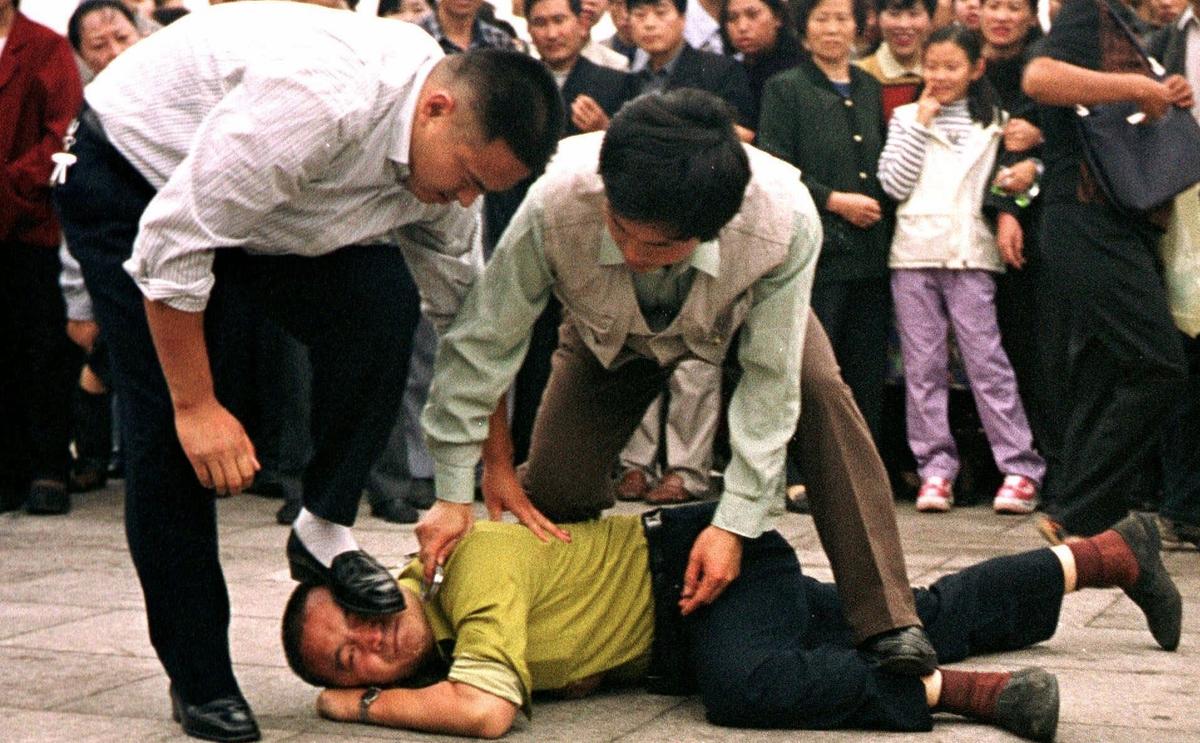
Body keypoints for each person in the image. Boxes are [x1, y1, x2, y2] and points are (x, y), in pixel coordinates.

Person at [51, 3, 564, 741]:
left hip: (261, 209)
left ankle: (320, 524)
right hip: (131, 176)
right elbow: (171, 246)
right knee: (171, 436)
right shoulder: (323, 98)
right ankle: (199, 677)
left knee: (385, 301)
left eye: (482, 191)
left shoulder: (445, 169)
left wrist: (494, 464)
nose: (463, 201)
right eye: (466, 178)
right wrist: (197, 405)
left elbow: (467, 330)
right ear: (437, 107)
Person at [416, 89, 939, 676]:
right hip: (607, 336)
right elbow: (482, 344)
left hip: (740, 320)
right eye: (619, 229)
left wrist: (735, 524)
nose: (635, 253)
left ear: (713, 227)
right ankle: (596, 604)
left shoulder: (783, 217)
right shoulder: (554, 201)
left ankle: (889, 618)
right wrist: (455, 488)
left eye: (660, 244)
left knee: (817, 387)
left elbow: (770, 385)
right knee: (557, 487)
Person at [283, 504, 1181, 741]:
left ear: (367, 581)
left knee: (745, 688)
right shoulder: (436, 640)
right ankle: (1107, 554)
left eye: (353, 625)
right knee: (911, 618)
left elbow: (484, 713)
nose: (369, 649)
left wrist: (351, 711)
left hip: (704, 564)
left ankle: (970, 695)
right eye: (350, 667)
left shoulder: (466, 569)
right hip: (690, 611)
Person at [1022, 0, 1191, 542]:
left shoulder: (1134, 34)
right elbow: (1040, 77)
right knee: (1158, 365)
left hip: (1123, 223)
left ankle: (1075, 515)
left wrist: (1166, 94)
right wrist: (1136, 89)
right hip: (1085, 218)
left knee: (1104, 371)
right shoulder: (1088, 13)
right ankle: (1079, 512)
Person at [877, 25, 1046, 514]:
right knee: (922, 367)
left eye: (952, 66)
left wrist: (1022, 175)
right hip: (914, 254)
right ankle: (934, 469)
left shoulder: (998, 123)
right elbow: (893, 182)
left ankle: (1019, 468)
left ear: (976, 69)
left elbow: (1025, 177)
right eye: (932, 66)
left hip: (972, 253)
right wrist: (918, 124)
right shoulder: (907, 115)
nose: (940, 75)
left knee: (986, 362)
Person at [759, 0, 891, 450]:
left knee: (866, 370)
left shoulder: (871, 87)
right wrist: (833, 200)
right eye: (822, 19)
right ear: (804, 30)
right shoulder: (786, 88)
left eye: (841, 19)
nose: (832, 28)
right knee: (812, 369)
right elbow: (775, 163)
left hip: (871, 252)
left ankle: (864, 466)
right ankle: (802, 471)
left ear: (858, 28)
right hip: (817, 251)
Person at [0, 0, 84, 516]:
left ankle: (50, 465)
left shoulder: (46, 47)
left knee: (42, 348)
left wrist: (10, 188)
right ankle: (7, 469)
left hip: (31, 225)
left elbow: (62, 133)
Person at [628, 0, 756, 134]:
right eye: (640, 15)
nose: (649, 24)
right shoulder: (629, 81)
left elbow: (745, 133)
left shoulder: (721, 70)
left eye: (661, 13)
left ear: (683, 19)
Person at [720, 0, 804, 129]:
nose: (742, 27)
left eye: (753, 15)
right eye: (732, 18)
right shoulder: (725, 72)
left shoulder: (800, 70)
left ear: (777, 17)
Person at [857, 0, 936, 120]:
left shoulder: (943, 76)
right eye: (894, 13)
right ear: (878, 18)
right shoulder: (859, 74)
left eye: (914, 14)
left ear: (931, 19)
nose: (904, 25)